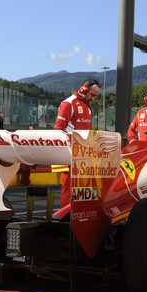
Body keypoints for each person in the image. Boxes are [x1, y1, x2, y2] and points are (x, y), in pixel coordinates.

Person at [53, 79, 100, 208]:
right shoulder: (68, 103)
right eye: (92, 95)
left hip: (84, 154)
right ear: (84, 89)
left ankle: (84, 213)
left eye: (96, 96)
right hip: (68, 154)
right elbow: (58, 130)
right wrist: (60, 159)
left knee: (86, 186)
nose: (94, 99)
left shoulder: (87, 106)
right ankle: (65, 219)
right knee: (68, 188)